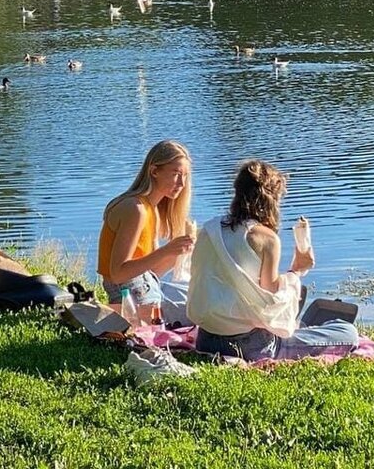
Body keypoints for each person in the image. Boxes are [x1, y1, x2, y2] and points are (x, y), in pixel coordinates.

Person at [188, 159, 358, 362]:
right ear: (272, 198)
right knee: (347, 332)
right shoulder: (266, 239)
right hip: (250, 345)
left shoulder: (208, 230)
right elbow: (270, 297)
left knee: (294, 306)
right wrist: (296, 271)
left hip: (206, 339)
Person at [97, 140, 196, 323]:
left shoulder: (151, 209)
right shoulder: (135, 209)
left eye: (185, 176)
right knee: (206, 312)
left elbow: (150, 272)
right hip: (132, 301)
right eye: (176, 174)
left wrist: (178, 254)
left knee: (203, 299)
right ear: (154, 171)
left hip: (145, 290)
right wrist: (166, 251)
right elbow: (118, 273)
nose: (182, 183)